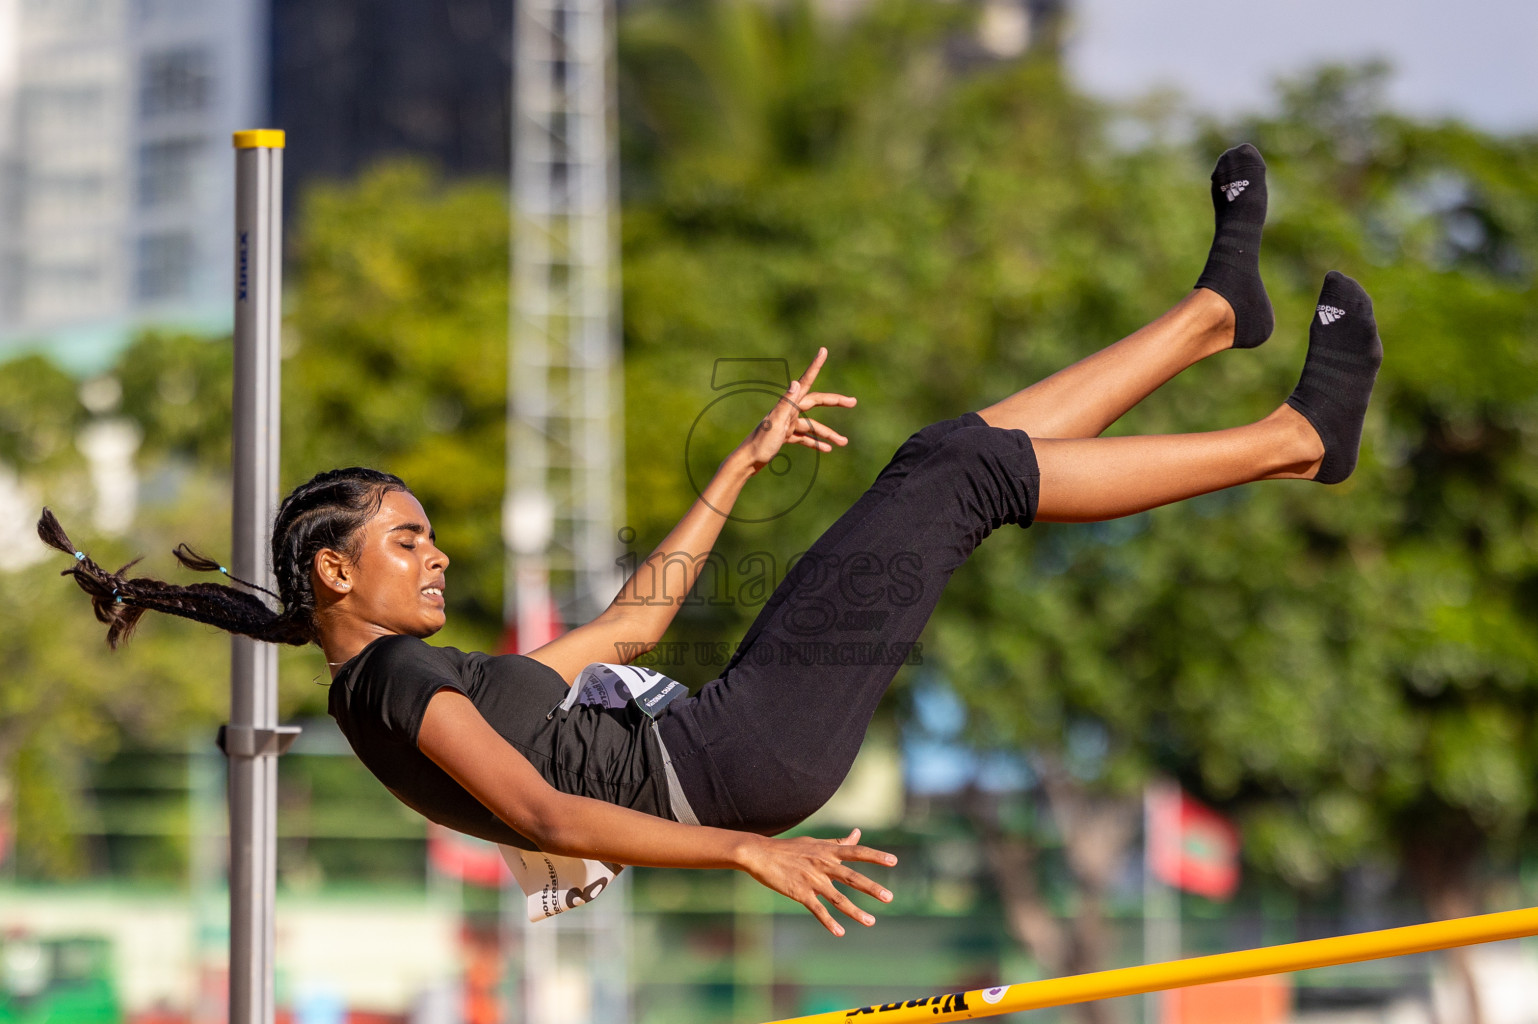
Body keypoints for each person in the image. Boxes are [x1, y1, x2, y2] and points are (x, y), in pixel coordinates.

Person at [41, 144, 1381, 937]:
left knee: (941, 460)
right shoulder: (387, 683)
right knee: (957, 478)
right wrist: (747, 850)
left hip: (724, 745)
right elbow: (553, 817)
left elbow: (630, 626)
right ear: (335, 572)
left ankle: (1212, 318)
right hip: (726, 767)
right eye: (408, 538)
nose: (436, 556)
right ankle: (1291, 440)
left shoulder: (435, 679)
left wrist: (737, 468)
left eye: (429, 534)